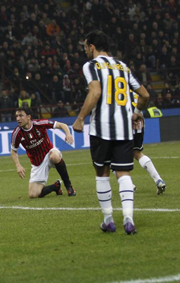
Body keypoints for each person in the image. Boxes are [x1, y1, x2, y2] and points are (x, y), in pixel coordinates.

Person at [72, 30, 149, 235]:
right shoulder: (123, 66)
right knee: (123, 173)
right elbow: (144, 94)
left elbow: (96, 92)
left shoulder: (92, 65)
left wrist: (80, 118)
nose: (85, 51)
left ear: (91, 47)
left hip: (101, 129)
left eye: (85, 47)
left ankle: (108, 220)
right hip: (124, 130)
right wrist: (137, 113)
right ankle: (129, 219)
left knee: (102, 173)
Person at [11, 107, 77, 198]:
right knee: (33, 195)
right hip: (37, 163)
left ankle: (69, 186)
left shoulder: (39, 123)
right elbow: (13, 151)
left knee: (55, 156)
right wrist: (18, 165)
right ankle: (56, 186)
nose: (18, 119)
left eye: (21, 115)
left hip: (49, 152)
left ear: (29, 117)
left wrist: (68, 134)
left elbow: (62, 125)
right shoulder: (16, 133)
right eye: (17, 116)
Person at [130, 93, 166, 194]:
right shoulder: (136, 90)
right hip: (139, 120)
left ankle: (128, 184)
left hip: (126, 121)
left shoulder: (117, 88)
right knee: (137, 153)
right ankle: (158, 180)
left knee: (111, 155)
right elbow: (144, 96)